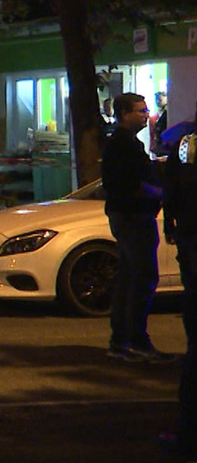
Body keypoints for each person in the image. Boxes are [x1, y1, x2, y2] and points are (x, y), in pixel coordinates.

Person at [103, 92, 171, 362]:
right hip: (133, 217)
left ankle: (121, 341)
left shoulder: (125, 143)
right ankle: (135, 341)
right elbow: (132, 184)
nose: (146, 115)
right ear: (124, 114)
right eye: (140, 111)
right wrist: (162, 194)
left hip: (130, 216)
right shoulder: (123, 145)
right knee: (142, 278)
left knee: (129, 277)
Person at [161, 128, 197, 457]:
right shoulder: (187, 146)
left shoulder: (188, 146)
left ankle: (187, 438)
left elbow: (172, 187)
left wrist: (171, 222)